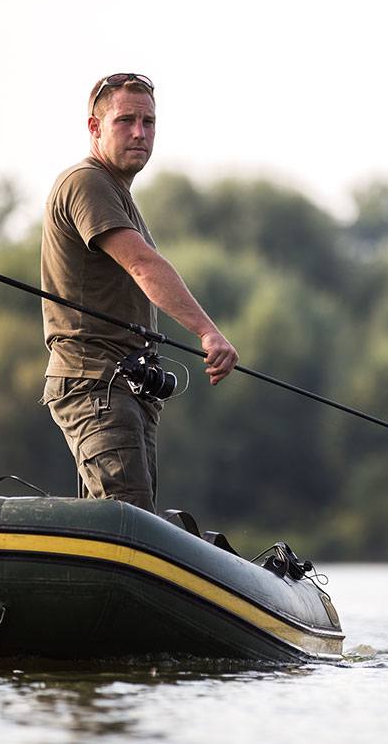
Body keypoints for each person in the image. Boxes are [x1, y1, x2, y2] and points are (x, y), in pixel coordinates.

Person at [40, 72, 238, 512]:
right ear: (94, 127)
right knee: (127, 519)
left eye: (149, 122)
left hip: (125, 387)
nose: (139, 133)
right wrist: (207, 332)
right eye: (125, 121)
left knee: (122, 520)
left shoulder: (115, 191)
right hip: (96, 382)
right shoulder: (86, 182)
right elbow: (143, 265)